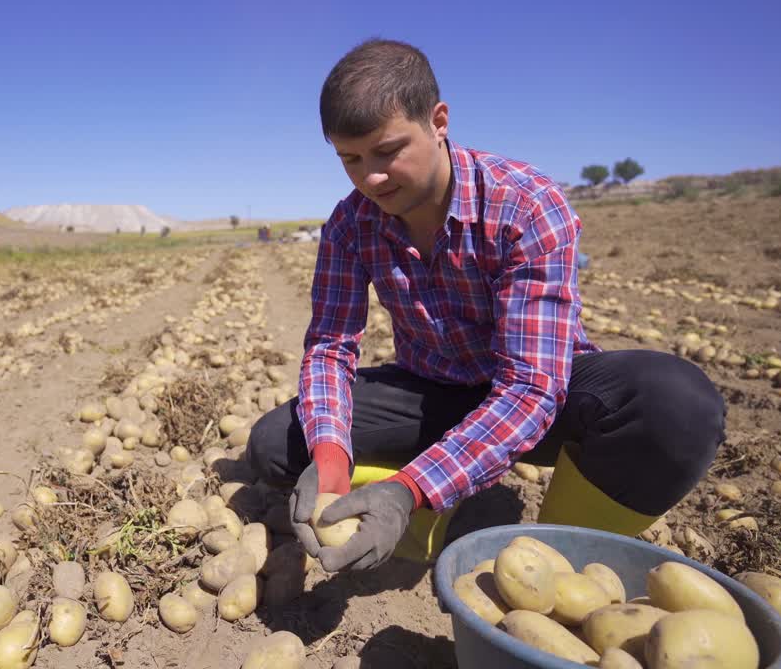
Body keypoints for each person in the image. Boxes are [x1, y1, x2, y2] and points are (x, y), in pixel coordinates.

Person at [245, 39, 726, 574]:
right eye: (350, 159)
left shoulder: (526, 204)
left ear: (439, 120)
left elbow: (529, 386)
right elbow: (331, 346)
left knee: (674, 403)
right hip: (435, 393)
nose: (370, 178)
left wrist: (409, 487)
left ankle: (562, 556)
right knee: (276, 445)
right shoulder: (349, 224)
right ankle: (422, 511)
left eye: (387, 151)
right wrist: (331, 456)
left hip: (545, 400)